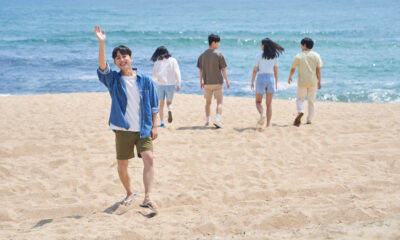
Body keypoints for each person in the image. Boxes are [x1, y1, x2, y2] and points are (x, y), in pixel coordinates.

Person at [94, 26, 159, 211]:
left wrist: (155, 126)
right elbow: (102, 67)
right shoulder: (113, 80)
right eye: (117, 58)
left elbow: (154, 106)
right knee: (122, 165)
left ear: (131, 58)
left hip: (144, 128)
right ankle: (130, 192)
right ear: (115, 62)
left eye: (124, 56)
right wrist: (101, 43)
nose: (121, 60)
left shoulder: (145, 80)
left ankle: (147, 197)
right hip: (122, 129)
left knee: (149, 158)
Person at [197, 34, 230, 128]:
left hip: (207, 83)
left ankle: (207, 120)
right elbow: (223, 69)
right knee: (219, 102)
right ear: (213, 43)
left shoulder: (202, 55)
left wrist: (201, 81)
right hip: (218, 82)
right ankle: (217, 120)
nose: (219, 44)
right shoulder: (219, 54)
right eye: (218, 42)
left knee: (208, 103)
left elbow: (200, 70)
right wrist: (227, 81)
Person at [288, 37, 323, 126]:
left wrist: (290, 77)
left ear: (304, 45)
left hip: (302, 82)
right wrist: (319, 81)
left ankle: (300, 111)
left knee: (300, 99)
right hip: (313, 81)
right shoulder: (316, 56)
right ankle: (309, 120)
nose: (300, 46)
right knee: (311, 101)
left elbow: (293, 69)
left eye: (301, 45)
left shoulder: (299, 56)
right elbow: (318, 70)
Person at [251, 38, 284, 127]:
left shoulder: (258, 56)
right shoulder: (275, 57)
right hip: (271, 78)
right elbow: (276, 71)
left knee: (258, 102)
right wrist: (276, 82)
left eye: (261, 44)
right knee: (269, 104)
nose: (260, 46)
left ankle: (262, 114)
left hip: (261, 78)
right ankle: (268, 125)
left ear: (264, 46)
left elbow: (255, 71)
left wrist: (252, 81)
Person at [151, 46, 181, 127]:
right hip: (171, 85)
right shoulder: (173, 60)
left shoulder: (158, 61)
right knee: (169, 103)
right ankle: (170, 110)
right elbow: (177, 72)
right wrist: (179, 83)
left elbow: (154, 75)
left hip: (161, 85)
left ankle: (162, 122)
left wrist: (156, 79)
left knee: (161, 104)